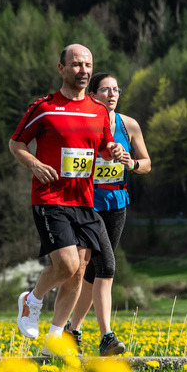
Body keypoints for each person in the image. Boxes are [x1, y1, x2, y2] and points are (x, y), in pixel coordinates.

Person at [9, 43, 127, 354]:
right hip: (50, 197)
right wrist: (34, 163)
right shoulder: (45, 107)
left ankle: (54, 338)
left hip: (84, 201)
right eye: (76, 65)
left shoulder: (98, 110)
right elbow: (16, 144)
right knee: (66, 264)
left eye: (87, 65)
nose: (83, 71)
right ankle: (31, 300)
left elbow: (102, 146)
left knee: (79, 272)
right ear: (61, 69)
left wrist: (111, 150)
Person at [66, 72, 150, 356]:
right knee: (107, 267)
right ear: (93, 94)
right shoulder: (86, 122)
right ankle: (106, 336)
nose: (112, 94)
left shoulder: (129, 125)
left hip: (118, 202)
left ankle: (71, 332)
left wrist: (133, 162)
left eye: (116, 89)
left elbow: (148, 163)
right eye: (105, 89)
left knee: (94, 271)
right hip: (89, 204)